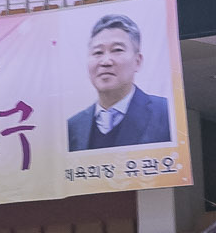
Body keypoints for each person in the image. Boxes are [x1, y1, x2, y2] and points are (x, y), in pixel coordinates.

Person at [68, 12, 173, 150]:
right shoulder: (73, 125)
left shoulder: (166, 113)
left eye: (117, 50)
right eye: (98, 53)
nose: (105, 62)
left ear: (138, 61)